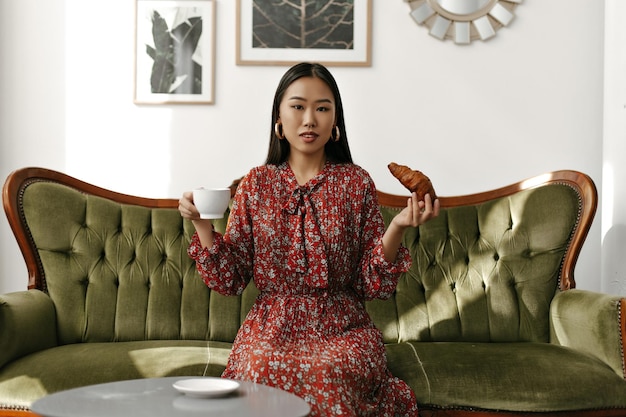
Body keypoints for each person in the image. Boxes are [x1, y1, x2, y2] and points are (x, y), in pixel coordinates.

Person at [178, 62, 440, 416]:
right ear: (279, 118)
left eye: (322, 108)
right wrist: (202, 224)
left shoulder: (355, 182)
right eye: (298, 106)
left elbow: (371, 284)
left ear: (335, 121)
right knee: (260, 369)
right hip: (271, 329)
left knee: (327, 371)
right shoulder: (255, 184)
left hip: (343, 328)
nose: (309, 119)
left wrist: (398, 227)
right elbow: (231, 278)